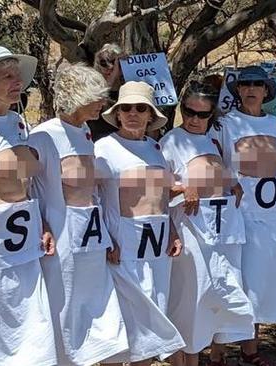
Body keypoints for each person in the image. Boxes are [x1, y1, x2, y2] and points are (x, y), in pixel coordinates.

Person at [28, 63, 129, 365]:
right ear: (77, 96)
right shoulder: (42, 136)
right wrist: (42, 225)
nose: (103, 104)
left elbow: (91, 190)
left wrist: (107, 235)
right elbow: (30, 188)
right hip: (62, 243)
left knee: (102, 310)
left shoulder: (85, 132)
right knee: (65, 310)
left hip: (93, 240)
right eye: (97, 97)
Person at [161, 81, 255, 366]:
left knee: (220, 291)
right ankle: (187, 359)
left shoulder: (214, 139)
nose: (194, 119)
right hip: (192, 229)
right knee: (192, 294)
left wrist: (232, 183)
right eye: (189, 111)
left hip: (222, 228)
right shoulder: (171, 141)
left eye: (202, 115)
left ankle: (216, 353)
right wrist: (181, 188)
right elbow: (158, 185)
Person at [96, 81, 185, 365]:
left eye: (140, 108)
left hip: (158, 241)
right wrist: (107, 238)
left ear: (150, 115)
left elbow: (161, 196)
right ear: (118, 113)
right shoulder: (104, 148)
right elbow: (94, 198)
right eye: (126, 108)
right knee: (123, 310)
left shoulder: (155, 148)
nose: (133, 113)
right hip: (124, 240)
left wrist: (171, 230)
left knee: (152, 308)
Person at [219, 66, 276, 366]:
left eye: (257, 85)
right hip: (241, 214)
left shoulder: (275, 125)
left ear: (266, 90)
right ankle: (218, 352)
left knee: (261, 282)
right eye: (245, 84)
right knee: (236, 278)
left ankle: (251, 350)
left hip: (272, 215)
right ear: (238, 90)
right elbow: (219, 165)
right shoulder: (227, 124)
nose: (250, 89)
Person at [0, 45, 56, 366]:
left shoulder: (19, 122)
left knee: (31, 328)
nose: (16, 82)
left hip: (26, 245)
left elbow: (27, 183)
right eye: (6, 76)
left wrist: (42, 224)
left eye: (17, 76)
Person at [89, 43, 126, 141]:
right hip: (99, 143)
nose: (110, 67)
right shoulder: (92, 89)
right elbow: (97, 99)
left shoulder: (127, 90)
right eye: (103, 63)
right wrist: (113, 76)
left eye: (114, 62)